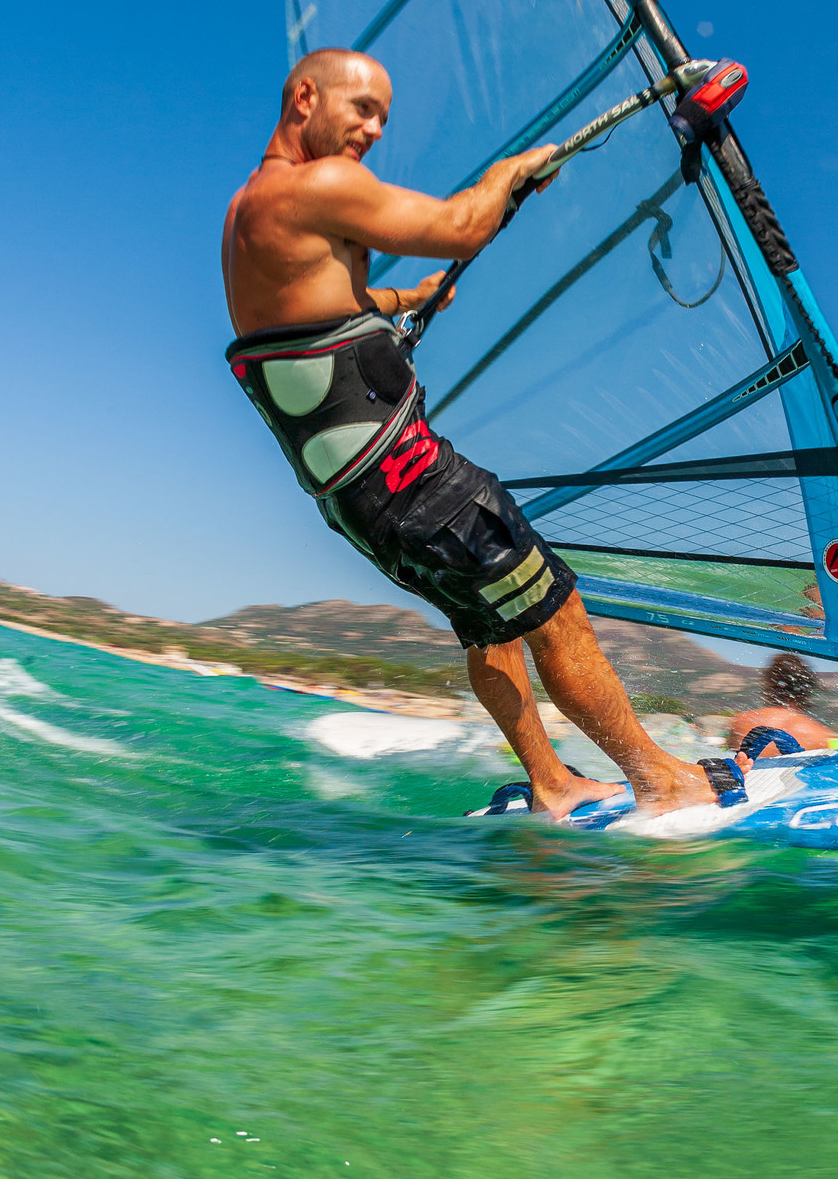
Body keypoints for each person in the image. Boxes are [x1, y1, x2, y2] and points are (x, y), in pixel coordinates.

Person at [222, 49, 727, 820]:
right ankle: (661, 779)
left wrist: (409, 296)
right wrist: (508, 173)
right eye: (362, 108)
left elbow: (320, 301)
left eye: (383, 116)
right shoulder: (317, 184)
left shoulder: (250, 213)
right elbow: (461, 226)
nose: (375, 130)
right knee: (554, 608)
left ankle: (552, 781)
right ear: (304, 97)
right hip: (411, 477)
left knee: (490, 626)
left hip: (356, 502)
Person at [725, 651, 833, 756]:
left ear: (770, 683)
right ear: (807, 689)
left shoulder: (742, 721)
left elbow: (732, 761)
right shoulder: (818, 735)